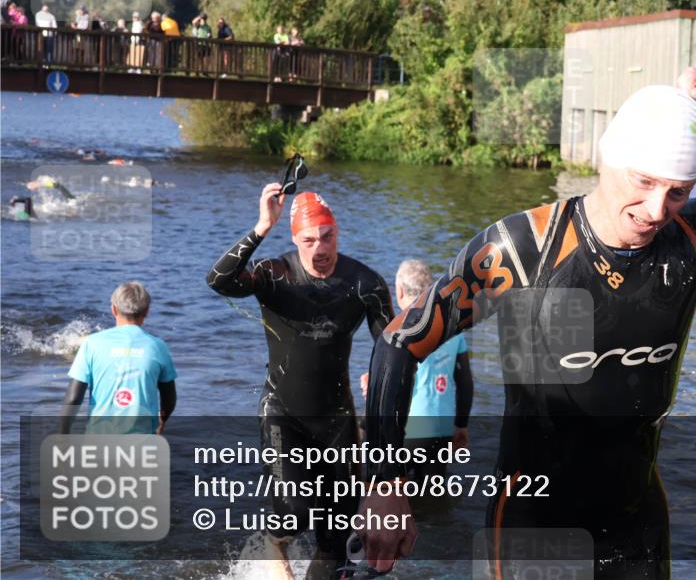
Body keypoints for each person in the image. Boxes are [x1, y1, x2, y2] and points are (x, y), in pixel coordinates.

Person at [359, 68, 696, 577]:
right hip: (536, 525)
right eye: (644, 181)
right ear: (608, 157)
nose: (655, 210)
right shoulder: (522, 248)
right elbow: (399, 342)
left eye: (677, 191)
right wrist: (385, 484)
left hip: (637, 524)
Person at [206, 186, 394, 578]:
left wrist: (378, 371)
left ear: (337, 233)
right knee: (294, 511)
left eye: (327, 237)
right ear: (295, 238)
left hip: (337, 420)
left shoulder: (365, 283)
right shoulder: (276, 274)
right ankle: (273, 544)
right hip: (283, 413)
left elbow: (390, 348)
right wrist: (262, 226)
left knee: (335, 536)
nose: (319, 248)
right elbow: (219, 280)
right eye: (309, 240)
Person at [360, 259, 473, 480]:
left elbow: (387, 389)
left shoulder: (397, 333)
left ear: (399, 292)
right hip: (441, 430)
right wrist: (461, 426)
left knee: (388, 493)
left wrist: (366, 426)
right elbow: (465, 382)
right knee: (433, 496)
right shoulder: (454, 331)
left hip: (406, 432)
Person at [59, 282, 177, 435]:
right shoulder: (158, 346)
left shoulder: (92, 343)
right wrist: (162, 421)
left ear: (113, 309)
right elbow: (169, 398)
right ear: (147, 311)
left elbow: (74, 398)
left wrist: (63, 435)